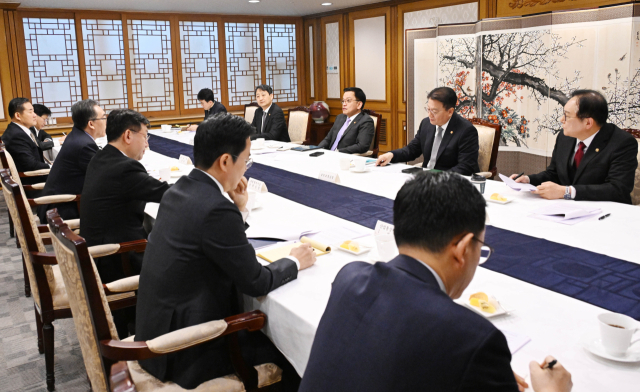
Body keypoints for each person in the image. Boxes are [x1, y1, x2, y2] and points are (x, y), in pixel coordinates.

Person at [299, 171, 573, 392]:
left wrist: (481, 375)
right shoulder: (474, 338)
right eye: (481, 248)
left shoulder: (350, 276)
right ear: (463, 248)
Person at [135, 113, 316, 390]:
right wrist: (294, 260)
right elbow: (256, 282)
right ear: (224, 161)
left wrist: (240, 208)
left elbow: (214, 241)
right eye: (246, 160)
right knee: (294, 360)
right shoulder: (215, 208)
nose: (246, 168)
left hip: (157, 329)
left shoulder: (181, 188)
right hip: (186, 348)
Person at [80, 108, 169, 285]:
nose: (147, 144)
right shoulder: (124, 168)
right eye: (145, 137)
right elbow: (166, 193)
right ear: (128, 135)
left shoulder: (101, 156)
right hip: (117, 260)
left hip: (98, 252)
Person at [510, 90, 638, 204]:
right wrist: (529, 180)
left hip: (606, 214)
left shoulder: (622, 143)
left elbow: (617, 189)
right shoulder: (565, 137)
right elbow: (554, 173)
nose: (561, 119)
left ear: (588, 122)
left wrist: (566, 191)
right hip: (567, 209)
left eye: (567, 115)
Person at [377, 87, 479, 175]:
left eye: (434, 111)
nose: (430, 115)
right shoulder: (426, 124)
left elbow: (465, 167)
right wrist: (391, 155)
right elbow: (412, 150)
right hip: (426, 179)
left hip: (449, 184)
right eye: (428, 109)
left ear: (450, 111)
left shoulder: (466, 130)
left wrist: (437, 179)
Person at [37, 100, 106, 221]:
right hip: (61, 210)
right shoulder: (84, 145)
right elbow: (105, 175)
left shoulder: (77, 136)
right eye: (104, 118)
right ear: (91, 124)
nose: (107, 121)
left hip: (57, 204)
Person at [317, 87, 374, 154]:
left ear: (359, 104)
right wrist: (317, 149)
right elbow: (328, 139)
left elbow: (362, 146)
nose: (344, 104)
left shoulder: (366, 121)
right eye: (343, 101)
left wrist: (338, 152)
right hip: (329, 155)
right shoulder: (340, 117)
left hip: (344, 159)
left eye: (348, 101)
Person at [1, 98, 50, 173]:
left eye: (34, 111)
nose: (35, 115)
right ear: (18, 116)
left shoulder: (19, 131)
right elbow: (31, 165)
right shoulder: (16, 136)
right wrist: (52, 167)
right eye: (30, 112)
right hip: (34, 179)